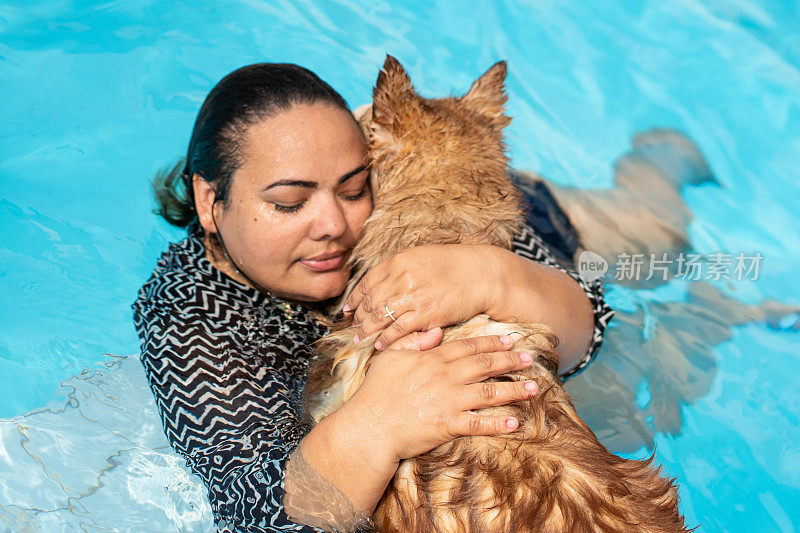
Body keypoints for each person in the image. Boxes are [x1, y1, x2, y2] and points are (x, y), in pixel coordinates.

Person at [132, 62, 614, 532]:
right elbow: (250, 516)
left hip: (548, 222)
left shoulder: (409, 199)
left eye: (353, 189)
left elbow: (593, 323)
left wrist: (492, 275)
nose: (335, 226)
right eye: (289, 203)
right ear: (207, 202)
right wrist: (378, 423)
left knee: (640, 233)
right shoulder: (189, 314)